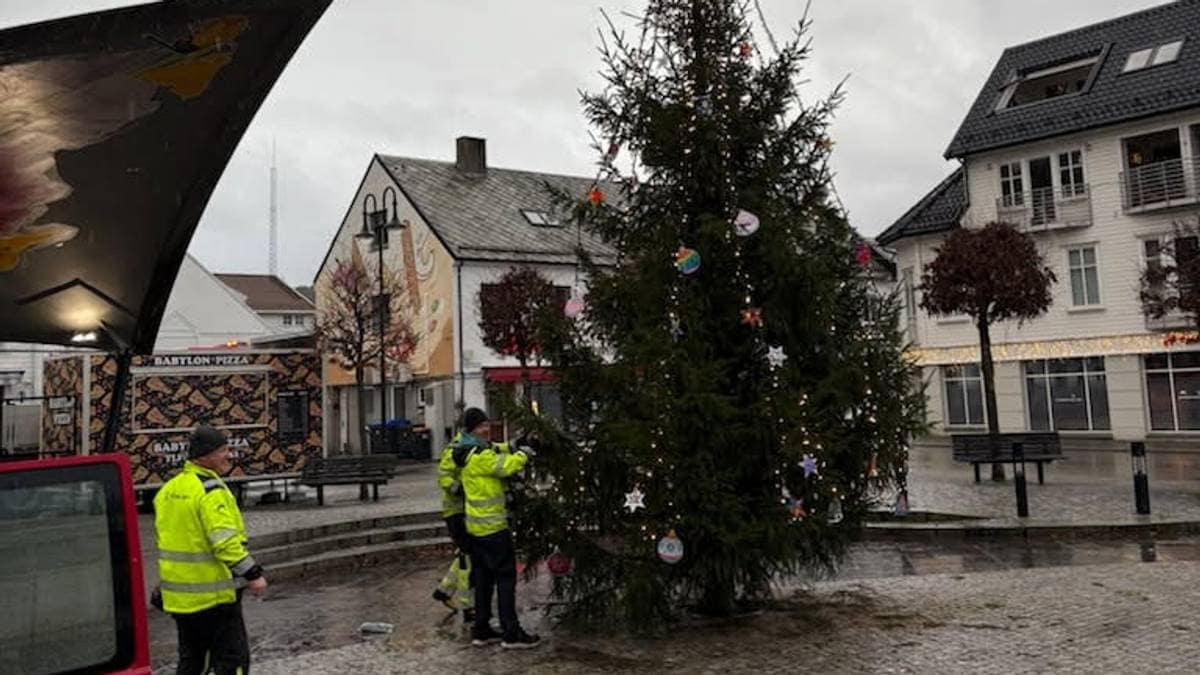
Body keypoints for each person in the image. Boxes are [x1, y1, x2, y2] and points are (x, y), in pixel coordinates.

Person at [154, 425, 268, 675]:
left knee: (193, 662)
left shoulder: (169, 490)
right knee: (233, 662)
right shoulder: (210, 490)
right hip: (214, 596)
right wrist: (253, 574)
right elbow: (225, 543)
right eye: (223, 450)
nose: (229, 455)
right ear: (204, 455)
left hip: (180, 598)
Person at [454, 408, 540, 649]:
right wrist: (524, 454)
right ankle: (511, 633)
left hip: (477, 529)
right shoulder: (479, 456)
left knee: (483, 580)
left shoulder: (470, 452)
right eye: (482, 426)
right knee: (505, 579)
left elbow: (499, 449)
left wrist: (515, 444)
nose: (486, 429)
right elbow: (504, 466)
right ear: (472, 429)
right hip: (493, 528)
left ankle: (481, 630)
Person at [432, 420, 474, 624]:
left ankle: (445, 590)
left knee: (466, 552)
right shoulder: (456, 449)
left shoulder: (474, 445)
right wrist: (458, 489)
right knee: (468, 557)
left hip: (465, 510)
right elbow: (444, 476)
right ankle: (468, 605)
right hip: (456, 512)